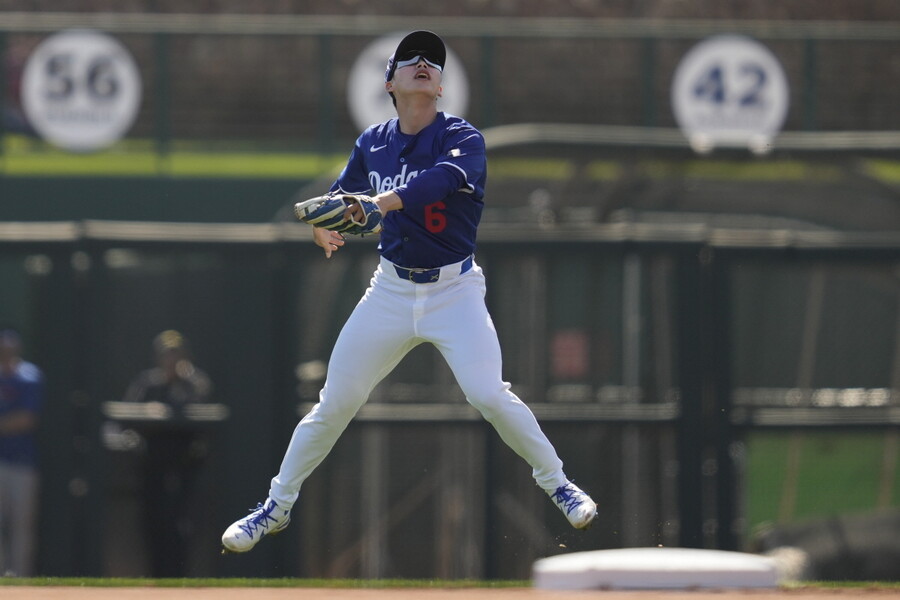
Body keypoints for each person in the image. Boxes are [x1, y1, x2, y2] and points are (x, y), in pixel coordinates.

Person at [221, 30, 597, 554]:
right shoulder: (372, 142)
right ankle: (275, 508)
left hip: (455, 290)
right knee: (335, 403)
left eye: (434, 63)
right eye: (412, 60)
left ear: (440, 87)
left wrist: (377, 204)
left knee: (488, 393)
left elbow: (438, 183)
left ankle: (557, 482)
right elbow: (342, 197)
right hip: (391, 291)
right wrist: (326, 220)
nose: (425, 64)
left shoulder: (462, 136)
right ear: (390, 81)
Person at [124, 330, 212, 577]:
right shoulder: (147, 384)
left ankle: (180, 575)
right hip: (152, 463)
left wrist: (170, 409)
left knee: (182, 523)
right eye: (166, 354)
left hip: (185, 465)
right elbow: (129, 415)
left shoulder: (194, 383)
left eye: (175, 354)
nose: (171, 359)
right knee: (153, 521)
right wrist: (149, 412)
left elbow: (201, 409)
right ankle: (156, 576)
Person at [0, 326, 42, 577]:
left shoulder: (30, 376)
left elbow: (27, 419)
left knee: (22, 527)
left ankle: (22, 581)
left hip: (22, 464)